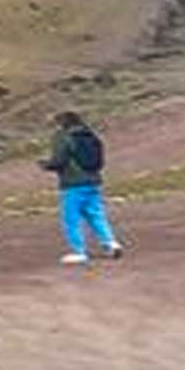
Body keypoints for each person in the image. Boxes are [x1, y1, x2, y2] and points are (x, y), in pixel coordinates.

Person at [42, 111, 123, 264]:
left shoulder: (63, 137)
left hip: (73, 183)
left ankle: (79, 251)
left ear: (62, 123)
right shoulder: (91, 135)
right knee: (96, 214)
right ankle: (111, 243)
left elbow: (59, 161)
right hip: (94, 180)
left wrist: (46, 165)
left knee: (71, 219)